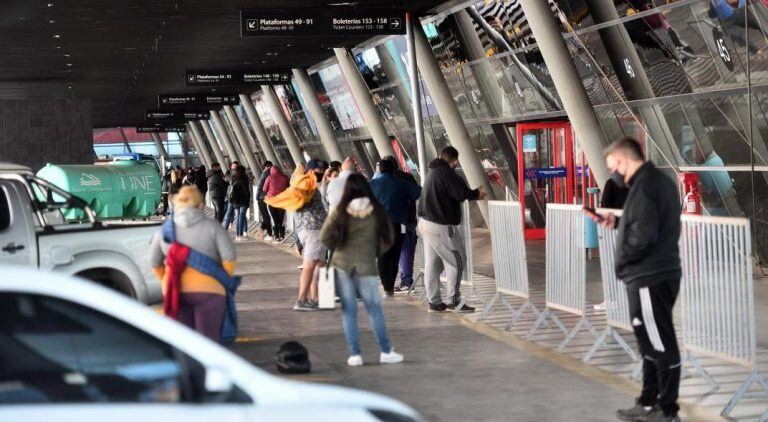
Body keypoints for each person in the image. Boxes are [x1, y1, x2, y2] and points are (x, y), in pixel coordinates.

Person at [590, 137, 682, 422]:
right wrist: (616, 222)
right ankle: (647, 402)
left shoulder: (645, 186)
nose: (613, 172)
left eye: (612, 165)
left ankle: (666, 409)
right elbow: (647, 223)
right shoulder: (656, 181)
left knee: (659, 342)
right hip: (655, 272)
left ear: (623, 159)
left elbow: (643, 237)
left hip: (649, 276)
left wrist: (622, 262)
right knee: (649, 342)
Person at [319, 173, 404, 367]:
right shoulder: (376, 211)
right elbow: (388, 237)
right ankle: (385, 351)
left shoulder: (340, 211)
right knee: (374, 310)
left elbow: (324, 237)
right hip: (366, 265)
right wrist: (374, 251)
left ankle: (355, 355)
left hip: (342, 265)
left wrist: (339, 246)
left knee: (349, 312)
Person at [148, 186, 237, 342]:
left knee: (184, 343)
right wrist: (222, 280)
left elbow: (154, 262)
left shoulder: (165, 230)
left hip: (176, 291)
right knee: (208, 341)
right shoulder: (213, 227)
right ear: (200, 204)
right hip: (211, 291)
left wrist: (166, 280)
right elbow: (229, 257)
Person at [418, 146, 486, 313]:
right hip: (441, 226)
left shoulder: (431, 173)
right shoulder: (447, 173)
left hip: (425, 223)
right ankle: (453, 300)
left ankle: (434, 301)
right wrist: (476, 193)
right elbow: (460, 193)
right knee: (457, 260)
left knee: (433, 263)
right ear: (455, 161)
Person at [266, 163, 328, 311]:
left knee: (318, 265)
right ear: (312, 170)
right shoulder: (306, 182)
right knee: (309, 266)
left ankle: (315, 299)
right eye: (320, 171)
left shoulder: (304, 181)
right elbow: (299, 197)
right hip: (313, 229)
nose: (322, 174)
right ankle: (301, 300)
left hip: (312, 229)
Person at [370, 158, 421, 296]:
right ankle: (391, 286)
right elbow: (418, 192)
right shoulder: (402, 183)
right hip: (398, 225)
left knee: (382, 256)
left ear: (380, 170)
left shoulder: (372, 184)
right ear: (394, 169)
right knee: (395, 255)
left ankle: (386, 286)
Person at [263, 164, 289, 242]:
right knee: (281, 219)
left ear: (271, 171)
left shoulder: (269, 177)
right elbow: (288, 186)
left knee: (274, 219)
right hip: (282, 200)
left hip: (272, 200)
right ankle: (282, 235)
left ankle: (276, 235)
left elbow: (264, 189)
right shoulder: (285, 177)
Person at [229, 166, 251, 241]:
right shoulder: (243, 180)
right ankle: (240, 235)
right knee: (241, 218)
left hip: (236, 201)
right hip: (243, 201)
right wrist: (248, 197)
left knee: (238, 218)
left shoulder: (234, 178)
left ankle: (237, 235)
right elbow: (247, 192)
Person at [256, 161, 274, 240]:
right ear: (269, 166)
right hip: (264, 197)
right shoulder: (266, 174)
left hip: (263, 197)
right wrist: (258, 196)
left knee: (265, 216)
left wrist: (257, 196)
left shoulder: (265, 173)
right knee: (266, 216)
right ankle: (269, 233)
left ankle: (262, 228)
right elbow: (260, 186)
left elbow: (260, 186)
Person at [222, 161, 241, 232]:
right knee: (229, 213)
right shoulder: (229, 175)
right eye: (233, 166)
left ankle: (240, 232)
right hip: (231, 197)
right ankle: (226, 229)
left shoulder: (239, 175)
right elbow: (224, 184)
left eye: (236, 166)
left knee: (240, 215)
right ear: (231, 166)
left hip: (238, 198)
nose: (234, 168)